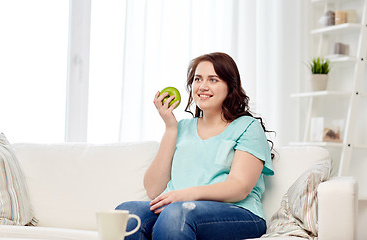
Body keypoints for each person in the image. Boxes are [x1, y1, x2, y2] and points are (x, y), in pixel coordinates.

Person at [116, 52, 274, 240]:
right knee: (128, 213)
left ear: (230, 87)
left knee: (177, 214)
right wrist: (170, 128)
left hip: (240, 213)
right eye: (198, 79)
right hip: (178, 208)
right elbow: (154, 190)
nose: (203, 86)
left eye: (213, 80)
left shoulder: (248, 127)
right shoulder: (181, 128)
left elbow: (239, 187)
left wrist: (186, 195)